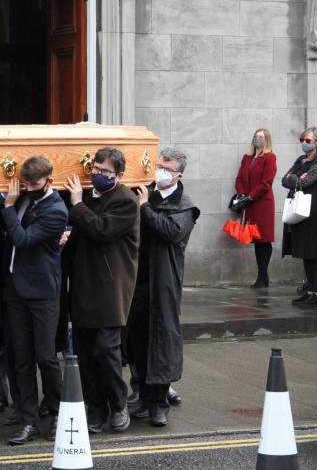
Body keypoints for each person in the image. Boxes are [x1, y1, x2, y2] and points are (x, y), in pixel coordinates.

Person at [64, 148, 140, 434]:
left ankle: (118, 404)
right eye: (95, 169)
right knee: (85, 354)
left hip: (111, 288)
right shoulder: (86, 196)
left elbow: (101, 230)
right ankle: (95, 408)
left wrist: (76, 203)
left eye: (105, 171)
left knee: (106, 350)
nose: (98, 174)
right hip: (83, 285)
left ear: (118, 175)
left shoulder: (126, 200)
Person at [0, 156, 68, 445]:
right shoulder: (24, 197)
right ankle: (29, 421)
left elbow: (23, 240)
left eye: (33, 184)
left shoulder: (56, 210)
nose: (27, 189)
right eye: (24, 184)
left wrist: (8, 207)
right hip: (16, 290)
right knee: (21, 358)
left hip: (42, 293)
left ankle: (58, 413)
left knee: (46, 357)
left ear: (49, 181)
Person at [127, 148, 199, 427]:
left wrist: (145, 208)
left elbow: (171, 232)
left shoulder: (185, 205)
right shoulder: (145, 192)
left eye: (166, 169)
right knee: (137, 340)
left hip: (163, 282)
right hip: (137, 279)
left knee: (161, 341)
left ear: (178, 175)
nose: (160, 172)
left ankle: (159, 404)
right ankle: (144, 396)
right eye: (159, 167)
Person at [284, 127, 317, 307]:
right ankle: (310, 290)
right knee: (306, 252)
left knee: (316, 254)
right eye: (302, 140)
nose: (304, 144)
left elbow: (304, 182)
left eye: (308, 141)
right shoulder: (301, 160)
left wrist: (295, 178)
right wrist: (296, 178)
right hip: (301, 212)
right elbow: (284, 180)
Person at [233, 129, 276, 288]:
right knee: (256, 239)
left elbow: (266, 183)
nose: (258, 139)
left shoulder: (270, 158)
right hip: (249, 202)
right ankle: (262, 275)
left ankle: (262, 275)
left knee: (264, 239)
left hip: (262, 202)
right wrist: (242, 194)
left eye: (261, 137)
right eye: (256, 136)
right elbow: (239, 178)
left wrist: (250, 196)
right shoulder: (247, 158)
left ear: (267, 140)